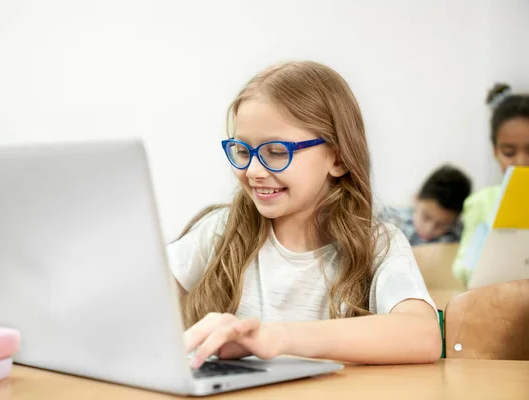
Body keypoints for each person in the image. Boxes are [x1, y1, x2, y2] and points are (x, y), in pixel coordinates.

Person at [167, 61, 441, 369]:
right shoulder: (218, 231)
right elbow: (136, 294)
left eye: (277, 152)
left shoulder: (378, 244)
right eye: (243, 151)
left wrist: (278, 338)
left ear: (337, 158)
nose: (253, 171)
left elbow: (424, 336)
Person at [452, 84, 529, 286]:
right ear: (495, 151)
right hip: (494, 301)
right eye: (509, 153)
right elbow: (464, 269)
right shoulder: (481, 202)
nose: (521, 162)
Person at [380, 165, 472, 246]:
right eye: (426, 217)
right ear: (416, 198)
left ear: (455, 221)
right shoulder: (389, 220)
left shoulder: (461, 238)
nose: (429, 229)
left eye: (442, 225)